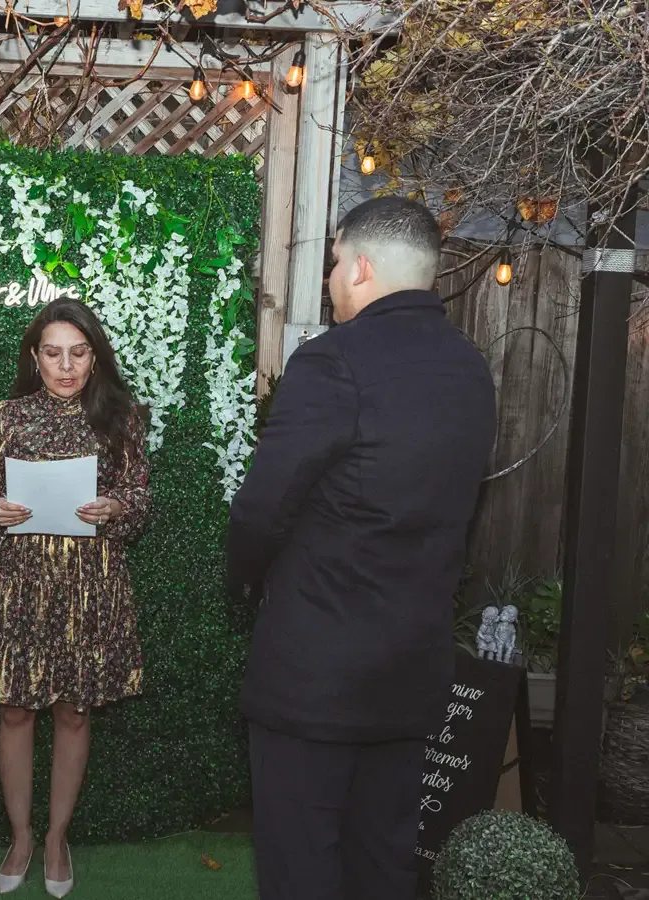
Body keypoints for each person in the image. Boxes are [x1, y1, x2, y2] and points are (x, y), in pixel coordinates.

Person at [226, 197, 496, 900]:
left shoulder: (332, 361)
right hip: (412, 668)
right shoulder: (471, 370)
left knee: (301, 866)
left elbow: (263, 508)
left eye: (335, 261)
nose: (331, 278)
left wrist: (246, 582)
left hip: (316, 671)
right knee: (383, 862)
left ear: (362, 267)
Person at [0, 298, 150, 899]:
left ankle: (56, 838)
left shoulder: (121, 417)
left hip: (90, 585)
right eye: (53, 353)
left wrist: (116, 506)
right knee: (14, 711)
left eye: (78, 353)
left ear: (95, 357)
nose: (66, 367)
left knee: (74, 711)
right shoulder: (6, 417)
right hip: (17, 583)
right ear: (35, 357)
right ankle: (20, 837)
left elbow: (139, 496)